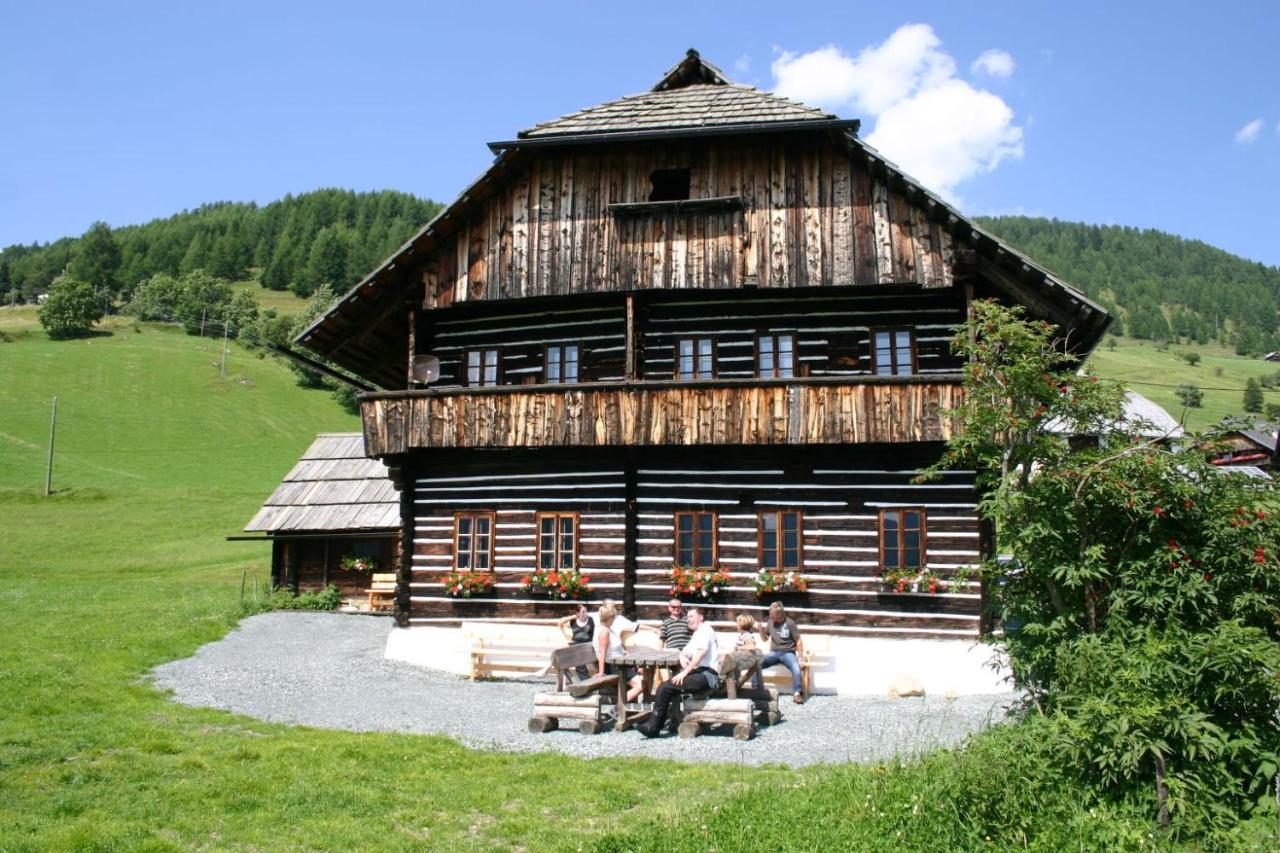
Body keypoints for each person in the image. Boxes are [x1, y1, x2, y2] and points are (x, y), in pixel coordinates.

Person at [637, 606, 720, 737]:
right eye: (687, 617)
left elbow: (701, 653)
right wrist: (682, 656)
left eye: (692, 616)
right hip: (699, 673)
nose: (689, 619)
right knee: (668, 687)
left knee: (665, 687)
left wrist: (685, 672)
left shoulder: (705, 630)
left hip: (708, 675)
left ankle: (654, 727)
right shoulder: (697, 633)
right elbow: (686, 651)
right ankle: (668, 723)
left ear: (701, 617)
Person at [595, 602, 643, 702]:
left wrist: (625, 652)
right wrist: (601, 672)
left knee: (644, 681)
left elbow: (618, 647)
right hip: (615, 667)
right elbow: (602, 653)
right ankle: (616, 710)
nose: (615, 618)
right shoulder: (604, 631)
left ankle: (625, 709)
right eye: (614, 616)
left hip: (621, 664)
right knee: (641, 685)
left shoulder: (610, 630)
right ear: (609, 617)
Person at [758, 601, 805, 703]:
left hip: (788, 652)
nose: (769, 615)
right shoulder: (770, 622)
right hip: (774, 653)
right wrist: (761, 631)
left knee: (796, 668)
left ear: (779, 614)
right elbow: (765, 639)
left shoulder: (790, 623)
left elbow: (798, 640)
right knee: (756, 664)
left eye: (772, 614)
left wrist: (800, 658)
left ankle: (797, 693)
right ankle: (755, 689)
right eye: (770, 613)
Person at [734, 613, 764, 691]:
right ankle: (735, 684)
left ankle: (733, 685)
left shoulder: (747, 635)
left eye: (737, 623)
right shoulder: (743, 635)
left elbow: (752, 646)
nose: (736, 625)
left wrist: (739, 648)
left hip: (741, 662)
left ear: (741, 625)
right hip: (738, 662)